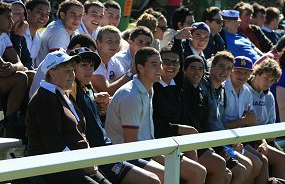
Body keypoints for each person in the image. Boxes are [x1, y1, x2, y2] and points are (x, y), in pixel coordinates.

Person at [105, 47, 207, 184]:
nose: (160, 68)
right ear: (140, 68)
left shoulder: (148, 88)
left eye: (160, 63)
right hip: (126, 154)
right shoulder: (131, 96)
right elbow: (131, 146)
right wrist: (163, 156)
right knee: (171, 175)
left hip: (147, 148)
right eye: (154, 65)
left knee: (198, 171)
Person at [70, 47, 162, 184]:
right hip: (97, 154)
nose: (89, 69)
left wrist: (97, 104)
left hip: (108, 150)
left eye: (91, 65)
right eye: (83, 65)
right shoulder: (72, 86)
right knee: (154, 180)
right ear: (72, 68)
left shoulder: (87, 86)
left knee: (167, 174)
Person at [26, 49, 110, 184]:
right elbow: (54, 145)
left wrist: (87, 159)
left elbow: (79, 133)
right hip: (52, 166)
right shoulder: (45, 99)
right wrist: (82, 163)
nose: (72, 75)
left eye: (72, 70)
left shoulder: (63, 94)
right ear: (52, 73)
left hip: (74, 162)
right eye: (67, 71)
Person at [153, 48, 227, 184]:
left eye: (200, 69)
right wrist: (180, 129)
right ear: (185, 71)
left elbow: (204, 125)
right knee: (199, 171)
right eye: (192, 68)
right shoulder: (177, 88)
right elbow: (155, 124)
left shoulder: (201, 94)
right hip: (165, 141)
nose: (196, 72)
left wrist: (220, 148)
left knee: (223, 168)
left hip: (188, 139)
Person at [200, 51, 253, 183]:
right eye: (221, 66)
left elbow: (218, 122)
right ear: (212, 67)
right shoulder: (202, 87)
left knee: (248, 165)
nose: (224, 71)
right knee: (239, 170)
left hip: (221, 141)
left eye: (228, 68)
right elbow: (206, 124)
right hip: (208, 142)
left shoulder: (221, 90)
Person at [0, 0, 28, 138]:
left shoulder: (3, 35)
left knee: (31, 75)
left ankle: (25, 122)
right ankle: (8, 126)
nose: (12, 21)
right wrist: (13, 68)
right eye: (7, 17)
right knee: (21, 78)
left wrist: (13, 67)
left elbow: (19, 64)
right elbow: (1, 67)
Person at [223, 56, 269, 184]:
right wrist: (244, 122)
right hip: (221, 141)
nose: (242, 76)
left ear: (250, 75)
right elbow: (218, 125)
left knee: (261, 160)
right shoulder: (222, 88)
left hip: (238, 139)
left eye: (246, 73)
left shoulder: (246, 92)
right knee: (248, 164)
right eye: (238, 71)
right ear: (231, 71)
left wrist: (262, 141)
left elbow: (251, 121)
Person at [29, 0, 83, 98]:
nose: (77, 19)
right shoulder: (58, 31)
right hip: (46, 80)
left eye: (80, 16)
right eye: (73, 14)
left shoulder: (74, 31)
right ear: (62, 15)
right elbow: (60, 65)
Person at [247, 59, 285, 180]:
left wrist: (265, 139)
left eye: (273, 80)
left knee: (282, 158)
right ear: (258, 73)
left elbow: (271, 126)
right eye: (266, 78)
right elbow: (247, 123)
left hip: (264, 139)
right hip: (247, 139)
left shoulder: (269, 96)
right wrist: (262, 140)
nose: (269, 83)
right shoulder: (244, 90)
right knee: (264, 160)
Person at [91, 25, 133, 95]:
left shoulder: (114, 60)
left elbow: (125, 83)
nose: (114, 45)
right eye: (109, 41)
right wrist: (132, 71)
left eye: (117, 41)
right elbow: (107, 91)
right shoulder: (92, 61)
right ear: (98, 42)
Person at [1, 0, 33, 70]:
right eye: (17, 13)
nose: (22, 18)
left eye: (23, 14)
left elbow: (27, 60)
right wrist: (17, 37)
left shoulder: (18, 32)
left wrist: (27, 69)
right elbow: (12, 61)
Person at [24, 0, 50, 67]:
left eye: (47, 14)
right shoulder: (18, 33)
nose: (43, 17)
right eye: (39, 12)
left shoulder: (39, 37)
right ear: (28, 12)